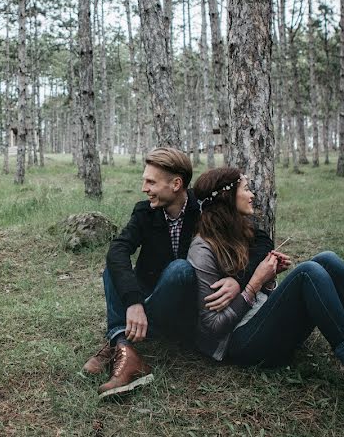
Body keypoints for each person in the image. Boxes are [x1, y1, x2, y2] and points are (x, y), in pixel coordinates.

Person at [187, 167, 344, 412]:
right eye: (245, 188)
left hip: (258, 320)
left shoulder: (241, 231)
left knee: (328, 260)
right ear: (227, 197)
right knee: (308, 272)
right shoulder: (202, 250)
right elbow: (213, 326)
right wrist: (253, 283)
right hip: (236, 343)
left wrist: (267, 279)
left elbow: (260, 270)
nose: (252, 194)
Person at [81, 148, 237, 398]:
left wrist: (237, 280)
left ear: (176, 184)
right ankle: (123, 345)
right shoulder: (145, 211)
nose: (144, 187)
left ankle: (120, 338)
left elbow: (254, 238)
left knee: (180, 269)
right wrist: (133, 302)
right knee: (113, 267)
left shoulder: (204, 207)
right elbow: (119, 249)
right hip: (150, 300)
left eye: (151, 181)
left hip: (186, 310)